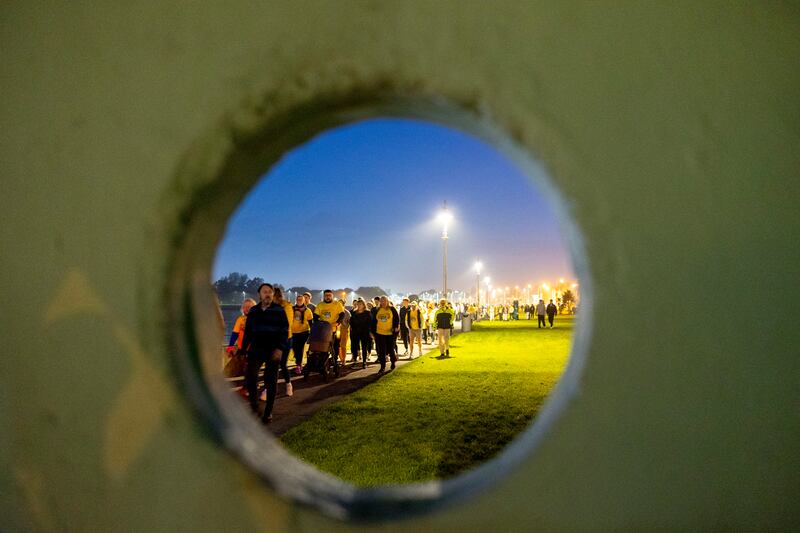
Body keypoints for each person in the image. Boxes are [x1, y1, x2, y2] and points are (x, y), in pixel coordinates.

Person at [241, 283, 289, 424]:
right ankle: (255, 406)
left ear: (273, 294)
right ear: (259, 295)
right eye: (264, 292)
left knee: (271, 380)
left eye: (269, 292)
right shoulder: (254, 311)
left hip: (273, 350)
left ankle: (268, 412)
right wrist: (244, 350)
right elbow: (248, 332)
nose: (267, 294)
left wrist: (280, 348)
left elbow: (284, 331)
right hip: (256, 349)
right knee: (251, 377)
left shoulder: (279, 310)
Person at [272, 287, 296, 397]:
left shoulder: (287, 306)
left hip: (285, 339)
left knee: (282, 364)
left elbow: (287, 324)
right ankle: (270, 389)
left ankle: (288, 385)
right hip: (272, 340)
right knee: (273, 364)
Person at [371, 295, 400, 372]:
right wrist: (372, 332)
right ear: (380, 302)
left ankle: (393, 362)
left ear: (387, 301)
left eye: (384, 301)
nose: (383, 302)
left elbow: (397, 319)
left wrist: (396, 327)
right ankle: (382, 366)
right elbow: (373, 321)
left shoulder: (392, 309)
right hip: (379, 333)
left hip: (390, 333)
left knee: (391, 349)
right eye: (382, 301)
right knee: (381, 351)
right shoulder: (377, 309)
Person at [313, 289, 345, 359]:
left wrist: (337, 322)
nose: (328, 297)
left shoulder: (337, 304)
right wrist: (317, 323)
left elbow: (342, 315)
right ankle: (324, 359)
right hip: (323, 330)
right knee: (323, 345)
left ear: (332, 296)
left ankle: (335, 360)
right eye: (326, 295)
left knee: (335, 346)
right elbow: (315, 316)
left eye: (329, 295)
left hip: (334, 329)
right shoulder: (320, 305)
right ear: (324, 296)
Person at [290, 294, 313, 375]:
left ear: (304, 301)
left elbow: (311, 323)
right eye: (298, 299)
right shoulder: (291, 309)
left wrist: (312, 333)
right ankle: (298, 362)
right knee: (294, 348)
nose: (299, 300)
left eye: (301, 299)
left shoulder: (308, 310)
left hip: (303, 332)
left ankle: (299, 366)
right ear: (296, 300)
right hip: (292, 332)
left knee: (300, 348)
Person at [349, 298, 372, 368]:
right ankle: (355, 361)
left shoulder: (367, 313)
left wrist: (369, 331)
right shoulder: (354, 313)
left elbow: (370, 322)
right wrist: (353, 329)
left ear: (364, 305)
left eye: (360, 304)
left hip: (364, 332)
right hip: (355, 332)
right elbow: (351, 322)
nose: (359, 305)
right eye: (358, 304)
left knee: (364, 347)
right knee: (355, 347)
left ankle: (364, 362)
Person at [338, 298, 350, 365]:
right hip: (336, 330)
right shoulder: (336, 311)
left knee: (343, 345)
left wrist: (344, 325)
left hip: (344, 330)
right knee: (337, 345)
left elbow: (349, 323)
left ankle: (343, 359)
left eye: (341, 303)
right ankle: (340, 358)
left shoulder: (347, 313)